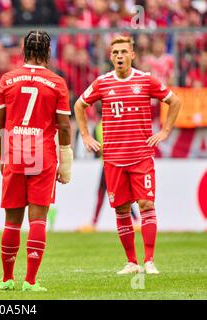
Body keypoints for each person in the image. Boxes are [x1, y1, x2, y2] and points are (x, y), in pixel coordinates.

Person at [74, 36, 181, 275]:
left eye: (123, 52)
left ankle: (149, 260)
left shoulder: (145, 80)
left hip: (141, 155)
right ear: (110, 57)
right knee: (121, 209)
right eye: (115, 53)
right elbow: (79, 105)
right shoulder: (102, 83)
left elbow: (174, 101)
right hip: (113, 158)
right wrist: (85, 136)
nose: (119, 56)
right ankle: (132, 262)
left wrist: (164, 131)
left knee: (146, 203)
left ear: (132, 55)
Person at [0, 30, 73, 292]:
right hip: (42, 154)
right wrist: (66, 161)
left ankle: (6, 279)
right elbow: (63, 125)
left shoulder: (8, 79)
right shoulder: (57, 82)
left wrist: (3, 155)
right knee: (37, 220)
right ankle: (30, 281)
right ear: (48, 52)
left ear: (23, 50)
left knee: (11, 221)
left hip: (15, 152)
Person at [77, 120, 140, 233]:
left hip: (109, 165)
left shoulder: (99, 126)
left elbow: (98, 150)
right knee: (122, 194)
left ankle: (94, 223)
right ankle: (136, 221)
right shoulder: (116, 123)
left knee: (103, 193)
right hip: (115, 164)